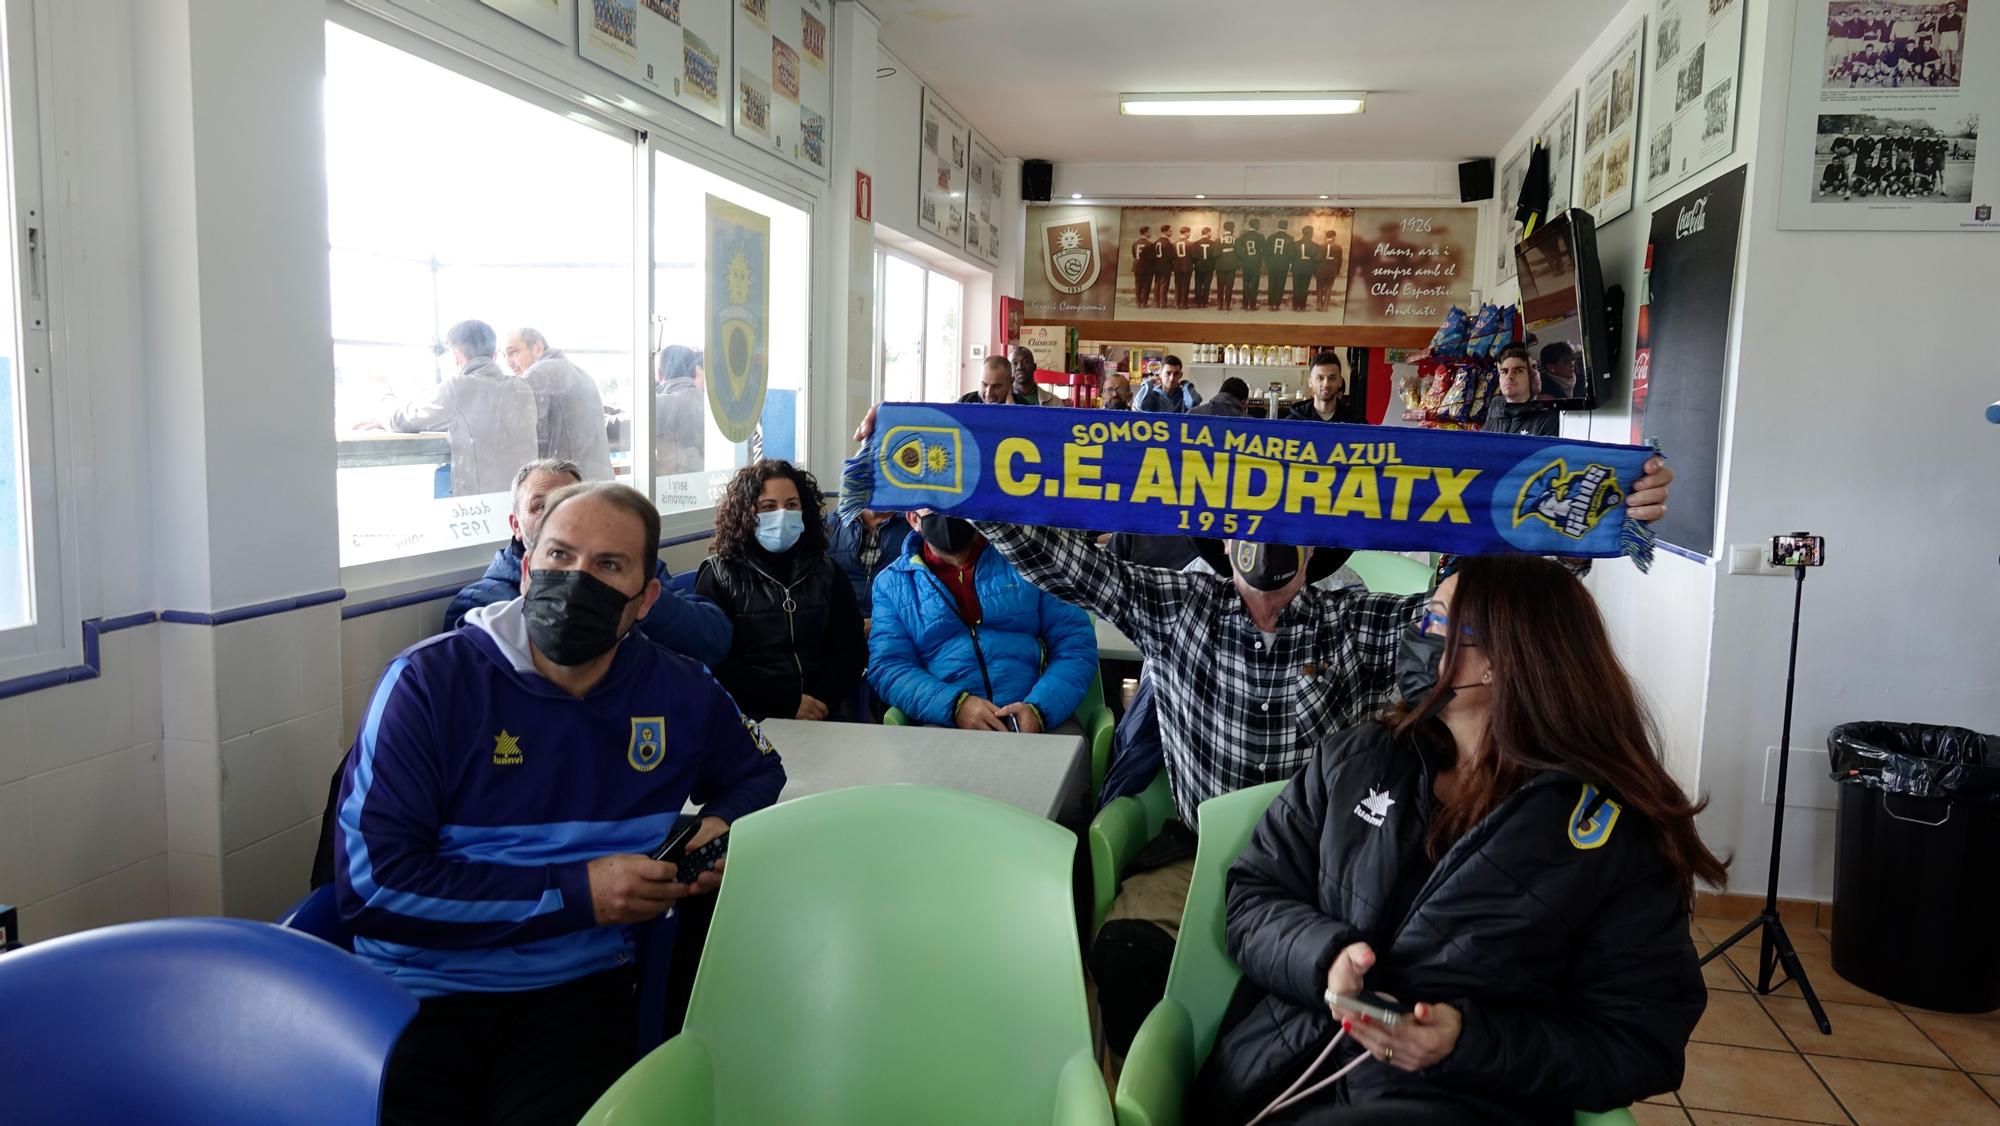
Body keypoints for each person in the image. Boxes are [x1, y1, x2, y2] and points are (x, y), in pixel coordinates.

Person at [850, 405, 1677, 1055]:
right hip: (1197, 847)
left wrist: (1594, 519)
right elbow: (1064, 561)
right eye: (1245, 521)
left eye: (1282, 524)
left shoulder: (1355, 623)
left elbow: (1493, 619)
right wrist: (945, 468)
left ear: (1315, 538)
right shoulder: (1178, 604)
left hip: (1328, 866)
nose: (1263, 539)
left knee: (1312, 995)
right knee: (1128, 957)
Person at [1192, 556, 1721, 1124]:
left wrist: (1465, 1042)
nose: (1418, 637)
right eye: (1425, 618)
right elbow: (1253, 897)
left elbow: (1640, 1044)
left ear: (1502, 661)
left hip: (1453, 1099)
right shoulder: (1358, 757)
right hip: (1282, 1065)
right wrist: (1327, 960)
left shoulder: (1607, 838)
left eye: (1441, 624)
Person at [335, 480, 786, 1126]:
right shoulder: (429, 684)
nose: (577, 580)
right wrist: (575, 893)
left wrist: (717, 829)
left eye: (609, 566)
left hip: (576, 990)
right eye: (560, 557)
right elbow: (370, 888)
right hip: (416, 994)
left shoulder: (680, 690)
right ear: (526, 570)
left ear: (645, 599)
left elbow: (758, 772)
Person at [443, 458, 732, 667]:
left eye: (567, 503)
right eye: (539, 505)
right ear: (515, 525)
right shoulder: (480, 603)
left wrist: (633, 599)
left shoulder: (638, 571)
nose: (553, 515)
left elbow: (712, 640)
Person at [867, 509, 1097, 734]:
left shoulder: (1031, 560)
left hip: (1040, 717)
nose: (949, 514)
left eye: (959, 504)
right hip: (946, 723)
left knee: (1066, 765)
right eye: (936, 506)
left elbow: (1075, 644)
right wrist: (955, 706)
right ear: (913, 518)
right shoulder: (892, 584)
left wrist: (1038, 710)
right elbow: (889, 665)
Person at [696, 459, 865, 721]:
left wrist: (818, 704)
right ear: (747, 514)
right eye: (768, 507)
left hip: (824, 711)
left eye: (791, 505)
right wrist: (787, 703)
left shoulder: (828, 571)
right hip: (752, 716)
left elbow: (851, 650)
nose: (782, 514)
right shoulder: (718, 575)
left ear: (804, 510)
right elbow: (719, 662)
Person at [361, 319, 537, 497]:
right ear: (494, 355)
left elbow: (398, 420)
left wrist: (383, 390)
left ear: (456, 355)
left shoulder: (458, 388)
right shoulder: (522, 388)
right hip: (522, 501)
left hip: (479, 508)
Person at [502, 328, 614, 482]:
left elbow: (531, 443)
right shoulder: (582, 374)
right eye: (504, 355)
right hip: (599, 483)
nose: (508, 362)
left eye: (513, 352)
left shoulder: (537, 374)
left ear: (538, 348)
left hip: (568, 487)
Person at [825, 507, 911, 623]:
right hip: (835, 624)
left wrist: (876, 623)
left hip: (891, 625)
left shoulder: (912, 524)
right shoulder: (830, 523)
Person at [654, 344, 706, 477]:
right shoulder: (709, 406)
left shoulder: (656, 405)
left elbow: (619, 428)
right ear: (694, 373)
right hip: (709, 485)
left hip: (671, 491)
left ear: (660, 375)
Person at [1487, 344, 1560, 437]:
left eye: (1518, 371)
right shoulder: (1496, 407)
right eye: (1504, 371)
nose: (1509, 376)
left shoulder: (1550, 417)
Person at [1283, 353, 1351, 423]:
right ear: (1310, 382)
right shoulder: (1292, 422)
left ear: (1340, 382)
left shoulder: (1354, 423)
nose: (1326, 384)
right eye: (1320, 378)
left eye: (1332, 378)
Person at [1134, 355, 1203, 414]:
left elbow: (1193, 404)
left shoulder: (1184, 395)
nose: (1171, 378)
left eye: (1176, 374)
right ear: (1160, 374)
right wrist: (1151, 382)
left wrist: (1186, 384)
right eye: (1168, 373)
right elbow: (1139, 406)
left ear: (1180, 375)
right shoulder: (1153, 395)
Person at [960, 354, 1037, 405]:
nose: (988, 393)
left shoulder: (1025, 408)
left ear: (1010, 383)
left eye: (996, 386)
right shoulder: (964, 403)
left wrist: (1013, 412)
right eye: (984, 384)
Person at [1291, 225, 1322, 312]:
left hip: (1297, 267)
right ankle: (1302, 306)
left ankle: (1295, 306)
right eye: (1312, 232)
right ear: (1310, 234)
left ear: (1303, 233)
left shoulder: (1295, 244)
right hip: (1308, 268)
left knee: (1296, 287)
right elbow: (1318, 258)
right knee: (1304, 287)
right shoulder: (1315, 245)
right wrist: (1311, 259)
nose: (1313, 234)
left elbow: (1291, 257)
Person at [1266, 219, 1295, 311]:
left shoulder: (1271, 237)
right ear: (1286, 227)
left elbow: (1267, 252)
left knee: (1271, 283)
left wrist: (1269, 262)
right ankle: (1277, 304)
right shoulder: (1290, 239)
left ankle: (1270, 303)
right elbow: (1291, 254)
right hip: (1283, 265)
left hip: (1272, 264)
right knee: (1280, 284)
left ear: (1278, 226)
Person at [1239, 218, 1266, 312]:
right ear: (1256, 225)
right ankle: (1252, 304)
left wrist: (1242, 258)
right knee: (1254, 284)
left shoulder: (1243, 236)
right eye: (1259, 224)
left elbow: (1240, 250)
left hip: (1246, 262)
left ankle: (1245, 304)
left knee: (1245, 283)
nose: (1260, 226)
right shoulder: (1260, 237)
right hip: (1255, 262)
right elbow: (1264, 250)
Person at [1316, 229, 1345, 312]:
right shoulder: (1338, 247)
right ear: (1334, 237)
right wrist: (1337, 271)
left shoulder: (1321, 246)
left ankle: (1318, 305)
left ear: (1326, 236)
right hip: (1332, 269)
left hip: (1321, 269)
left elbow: (1317, 259)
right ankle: (1325, 306)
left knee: (1319, 286)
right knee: (1329, 287)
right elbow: (1340, 261)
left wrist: (1316, 269)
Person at [1216, 220, 1241, 312]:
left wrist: (1223, 250)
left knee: (1220, 286)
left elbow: (1215, 254)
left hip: (1221, 266)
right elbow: (1239, 254)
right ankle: (1227, 304)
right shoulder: (1236, 239)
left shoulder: (1219, 239)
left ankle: (1219, 305)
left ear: (1224, 228)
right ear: (1233, 229)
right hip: (1231, 266)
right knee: (1229, 286)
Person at [1192, 226, 1219, 307]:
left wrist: (1196, 263)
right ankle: (1205, 302)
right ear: (1207, 233)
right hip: (1209, 267)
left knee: (1198, 284)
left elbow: (1193, 256)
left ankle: (1198, 302)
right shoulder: (1213, 243)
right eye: (1210, 232)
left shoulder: (1196, 243)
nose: (1211, 234)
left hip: (1199, 267)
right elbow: (1215, 255)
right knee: (1207, 285)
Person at [1171, 225, 1196, 310]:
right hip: (1187, 267)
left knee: (1177, 285)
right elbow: (1194, 256)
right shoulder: (1190, 243)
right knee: (1185, 286)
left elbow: (1173, 256)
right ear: (1185, 233)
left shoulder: (1174, 243)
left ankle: (1177, 303)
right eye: (1189, 232)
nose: (1189, 234)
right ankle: (1183, 304)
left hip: (1177, 267)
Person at [1131, 225, 1156, 309]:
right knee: (1146, 285)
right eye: (1149, 231)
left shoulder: (1135, 243)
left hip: (1136, 267)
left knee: (1138, 284)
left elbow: (1134, 255)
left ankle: (1138, 302)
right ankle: (1144, 303)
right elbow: (1152, 257)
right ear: (1145, 232)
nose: (1151, 233)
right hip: (1146, 267)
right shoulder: (1150, 244)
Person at [1152, 225, 1175, 309]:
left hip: (1156, 266)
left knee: (1157, 284)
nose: (1171, 232)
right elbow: (1172, 256)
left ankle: (1156, 302)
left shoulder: (1156, 242)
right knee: (1164, 285)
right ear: (1165, 232)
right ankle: (1162, 303)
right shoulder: (1167, 243)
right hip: (1165, 266)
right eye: (1170, 231)